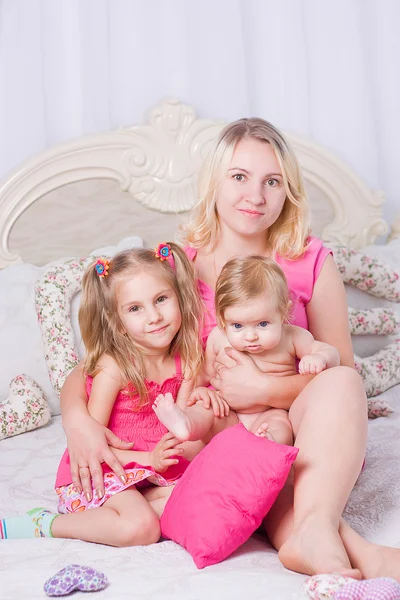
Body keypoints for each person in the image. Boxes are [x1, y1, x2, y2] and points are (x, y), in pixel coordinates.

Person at [47, 118, 400, 579]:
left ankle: (317, 533)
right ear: (213, 182)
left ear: (288, 191)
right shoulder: (178, 265)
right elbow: (103, 358)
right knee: (244, 451)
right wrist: (77, 421)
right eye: (239, 177)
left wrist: (261, 391)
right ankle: (336, 542)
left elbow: (340, 377)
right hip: (215, 426)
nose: (255, 195)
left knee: (330, 394)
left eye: (272, 181)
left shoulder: (310, 259)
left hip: (297, 419)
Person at [0, 244, 225, 546]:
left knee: (208, 494)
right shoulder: (114, 367)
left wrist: (206, 399)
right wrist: (149, 458)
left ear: (179, 299)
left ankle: (144, 504)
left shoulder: (188, 359)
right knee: (141, 529)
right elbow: (94, 446)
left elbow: (183, 432)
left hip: (151, 473)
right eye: (135, 308)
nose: (154, 316)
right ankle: (48, 523)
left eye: (161, 299)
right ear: (118, 323)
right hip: (105, 470)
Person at [154, 255, 339, 446]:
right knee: (206, 408)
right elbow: (204, 374)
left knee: (281, 426)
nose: (250, 336)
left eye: (263, 324)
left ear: (283, 312)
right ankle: (185, 424)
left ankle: (268, 444)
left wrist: (320, 357)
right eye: (237, 326)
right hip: (227, 412)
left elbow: (333, 355)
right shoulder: (218, 337)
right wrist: (197, 393)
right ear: (222, 319)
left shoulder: (292, 337)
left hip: (270, 411)